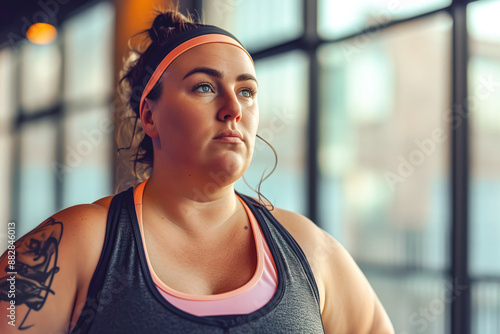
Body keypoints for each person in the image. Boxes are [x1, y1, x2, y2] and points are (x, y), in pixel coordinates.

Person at [0, 10, 394, 334]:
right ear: (150, 116)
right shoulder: (82, 240)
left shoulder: (308, 248)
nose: (233, 109)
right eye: (204, 87)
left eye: (246, 91)